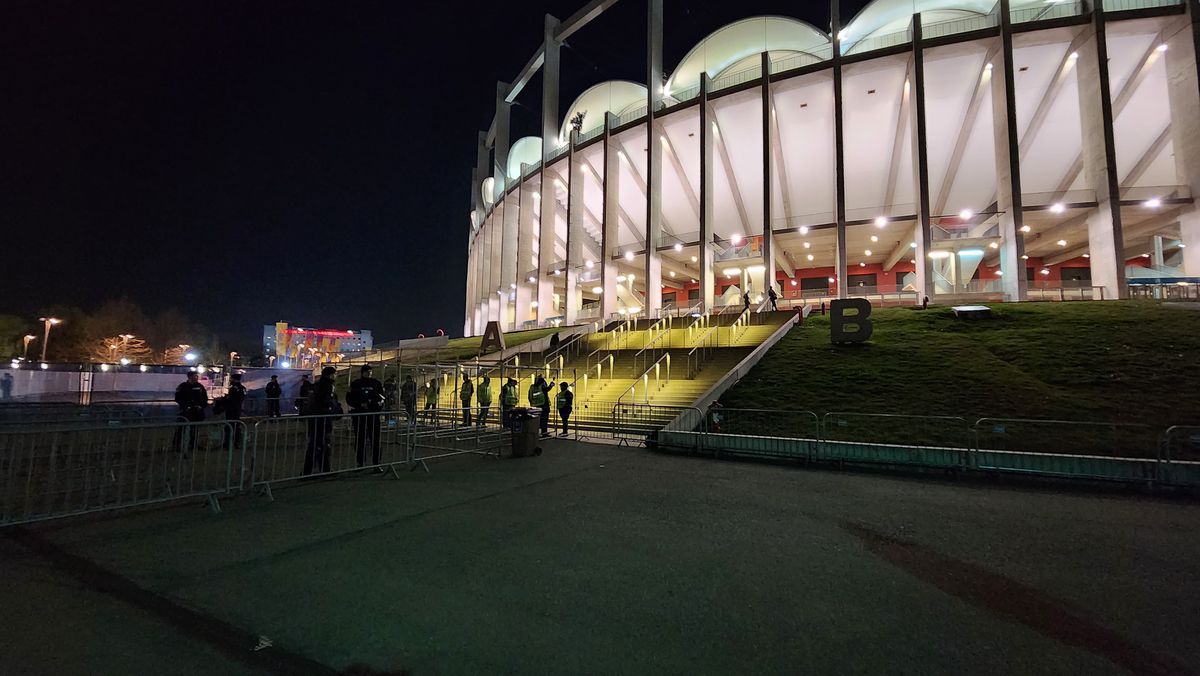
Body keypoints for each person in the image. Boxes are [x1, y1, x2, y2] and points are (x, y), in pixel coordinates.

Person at [348, 364, 385, 468]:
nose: (369, 373)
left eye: (370, 371)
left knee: (376, 440)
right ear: (362, 372)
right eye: (367, 371)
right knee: (360, 439)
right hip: (360, 416)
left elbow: (382, 398)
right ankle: (360, 462)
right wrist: (360, 404)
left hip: (373, 416)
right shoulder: (356, 384)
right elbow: (350, 398)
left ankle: (376, 463)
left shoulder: (376, 383)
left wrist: (374, 405)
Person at [303, 366, 338, 475]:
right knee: (321, 444)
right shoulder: (327, 386)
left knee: (316, 445)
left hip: (315, 418)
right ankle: (321, 469)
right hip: (322, 418)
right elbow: (328, 401)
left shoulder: (317, 385)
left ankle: (313, 470)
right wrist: (336, 409)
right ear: (330, 375)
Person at [173, 370, 208, 453]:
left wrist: (201, 406)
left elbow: (204, 398)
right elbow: (178, 398)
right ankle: (176, 445)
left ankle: (193, 444)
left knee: (195, 429)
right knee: (181, 429)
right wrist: (186, 406)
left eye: (197, 376)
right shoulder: (183, 386)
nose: (196, 378)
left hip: (197, 411)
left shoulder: (200, 386)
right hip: (185, 411)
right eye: (195, 376)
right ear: (190, 377)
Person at [222, 372, 247, 448]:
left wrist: (225, 399)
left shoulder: (233, 387)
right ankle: (236, 442)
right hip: (237, 409)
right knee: (236, 426)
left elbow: (231, 398)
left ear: (234, 379)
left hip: (231, 409)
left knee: (229, 426)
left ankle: (228, 443)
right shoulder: (242, 388)